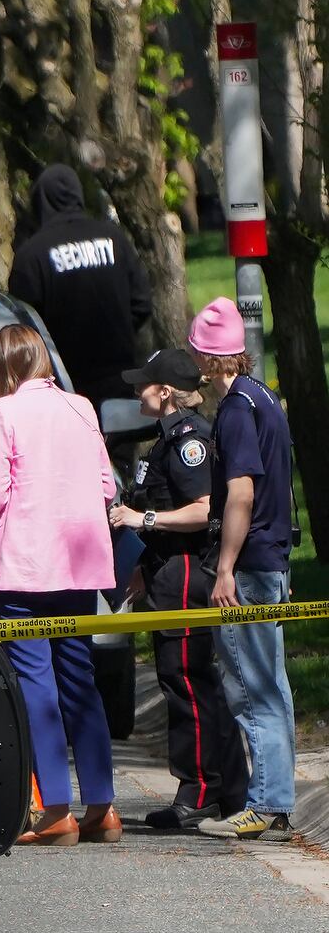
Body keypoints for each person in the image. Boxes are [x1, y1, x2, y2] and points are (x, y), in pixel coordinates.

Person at [0, 321, 118, 845]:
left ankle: (55, 808)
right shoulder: (81, 407)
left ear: (3, 368)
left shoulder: (0, 412)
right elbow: (106, 484)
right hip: (79, 564)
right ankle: (103, 807)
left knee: (37, 684)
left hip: (25, 565)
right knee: (81, 682)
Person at [109, 346, 246, 832]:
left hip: (187, 572)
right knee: (189, 680)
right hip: (166, 568)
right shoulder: (165, 439)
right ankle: (229, 787)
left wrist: (141, 518)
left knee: (186, 680)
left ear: (164, 392)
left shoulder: (189, 439)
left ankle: (200, 790)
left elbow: (205, 508)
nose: (135, 390)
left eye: (142, 383)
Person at [189, 298, 298, 839]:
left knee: (251, 689)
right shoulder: (266, 400)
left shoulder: (233, 412)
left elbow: (242, 494)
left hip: (249, 565)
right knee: (272, 686)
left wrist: (226, 566)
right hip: (272, 559)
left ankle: (264, 803)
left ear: (210, 359)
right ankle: (275, 800)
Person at [7, 164, 154, 401]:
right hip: (121, 377)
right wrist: (118, 334)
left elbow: (23, 328)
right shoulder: (114, 238)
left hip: (64, 383)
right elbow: (142, 303)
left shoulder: (32, 255)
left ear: (40, 200)